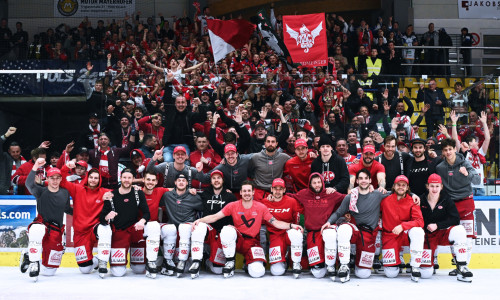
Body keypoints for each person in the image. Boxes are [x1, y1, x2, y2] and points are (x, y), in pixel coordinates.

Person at [191, 181, 302, 278]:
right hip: (237, 240)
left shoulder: (261, 207)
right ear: (240, 193)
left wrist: (291, 226)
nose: (247, 193)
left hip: (252, 242)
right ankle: (229, 262)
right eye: (244, 191)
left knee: (258, 272)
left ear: (253, 192)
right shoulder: (233, 205)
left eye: (249, 191)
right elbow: (215, 217)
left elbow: (276, 223)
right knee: (218, 266)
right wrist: (200, 220)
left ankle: (247, 264)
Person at [19, 158, 72, 281]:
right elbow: (28, 184)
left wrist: (81, 213)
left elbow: (67, 209)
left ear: (61, 179)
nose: (54, 180)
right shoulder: (40, 191)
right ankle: (33, 262)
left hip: (55, 230)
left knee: (49, 272)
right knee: (37, 229)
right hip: (41, 225)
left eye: (57, 178)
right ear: (47, 179)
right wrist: (35, 166)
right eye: (52, 178)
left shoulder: (65, 193)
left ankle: (28, 255)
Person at [58, 161, 113, 276]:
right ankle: (97, 260)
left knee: (105, 228)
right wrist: (66, 167)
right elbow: (62, 182)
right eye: (91, 177)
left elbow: (123, 192)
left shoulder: (105, 192)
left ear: (99, 180)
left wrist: (134, 187)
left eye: (96, 178)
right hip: (80, 234)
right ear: (87, 178)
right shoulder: (77, 189)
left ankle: (103, 261)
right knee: (85, 269)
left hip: (94, 229)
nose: (93, 180)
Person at [435, 138, 480, 275]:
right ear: (442, 152)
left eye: (450, 149)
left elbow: (478, 180)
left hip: (466, 203)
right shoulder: (440, 168)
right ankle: (458, 266)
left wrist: (468, 174)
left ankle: (464, 266)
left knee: (467, 237)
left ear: (455, 149)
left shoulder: (465, 163)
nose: (448, 152)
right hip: (451, 205)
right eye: (445, 150)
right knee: (454, 236)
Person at [288, 173, 345, 280]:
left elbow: (348, 198)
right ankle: (319, 264)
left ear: (323, 183)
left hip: (326, 231)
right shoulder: (304, 194)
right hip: (312, 234)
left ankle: (332, 265)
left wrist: (368, 189)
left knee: (331, 235)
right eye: (314, 183)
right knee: (318, 273)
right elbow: (290, 196)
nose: (317, 185)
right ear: (310, 184)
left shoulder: (330, 193)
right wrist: (272, 195)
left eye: (319, 182)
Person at [419, 174, 473, 282]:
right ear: (427, 186)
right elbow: (416, 218)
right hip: (428, 237)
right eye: (432, 186)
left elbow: (455, 219)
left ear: (441, 187)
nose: (434, 189)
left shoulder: (446, 199)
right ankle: (428, 262)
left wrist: (438, 225)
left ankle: (461, 265)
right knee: (425, 274)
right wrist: (426, 226)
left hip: (442, 233)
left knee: (460, 230)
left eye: (437, 186)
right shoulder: (421, 200)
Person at [99, 169, 152, 277]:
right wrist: (106, 217)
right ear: (121, 178)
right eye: (124, 177)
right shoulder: (111, 195)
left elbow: (147, 213)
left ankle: (147, 261)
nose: (127, 180)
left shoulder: (138, 193)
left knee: (139, 269)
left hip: (134, 231)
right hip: (119, 233)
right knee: (118, 273)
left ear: (133, 179)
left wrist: (142, 221)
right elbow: (101, 218)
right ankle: (100, 258)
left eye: (129, 178)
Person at [189, 170, 236, 278]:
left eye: (218, 178)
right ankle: (196, 261)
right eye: (214, 178)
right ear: (210, 181)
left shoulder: (230, 197)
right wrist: (191, 190)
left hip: (222, 234)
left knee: (217, 270)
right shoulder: (205, 193)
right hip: (209, 230)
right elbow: (193, 192)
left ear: (223, 180)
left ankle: (209, 261)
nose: (216, 180)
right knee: (199, 225)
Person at [380, 175, 424, 282]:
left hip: (405, 235)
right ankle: (397, 259)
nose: (401, 187)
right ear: (394, 186)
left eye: (403, 185)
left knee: (418, 231)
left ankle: (415, 266)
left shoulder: (412, 201)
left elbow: (420, 221)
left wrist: (403, 226)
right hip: (390, 236)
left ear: (407, 188)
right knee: (391, 274)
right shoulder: (384, 200)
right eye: (398, 185)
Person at [159, 173, 203, 277]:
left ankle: (194, 261)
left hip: (188, 230)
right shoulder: (167, 195)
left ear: (187, 183)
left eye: (184, 180)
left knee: (186, 228)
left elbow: (205, 208)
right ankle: (167, 261)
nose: (181, 182)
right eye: (179, 180)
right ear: (175, 182)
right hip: (173, 230)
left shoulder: (194, 196)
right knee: (168, 229)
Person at [261, 178, 304, 278]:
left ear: (284, 190)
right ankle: (285, 259)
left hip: (289, 233)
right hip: (275, 236)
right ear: (271, 189)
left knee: (296, 233)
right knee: (276, 271)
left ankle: (296, 263)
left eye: (280, 189)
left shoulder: (292, 202)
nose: (277, 191)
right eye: (275, 188)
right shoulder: (265, 202)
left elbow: (298, 217)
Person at [452, 110, 490, 196]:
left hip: (480, 187)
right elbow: (455, 139)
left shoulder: (480, 152)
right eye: (475, 141)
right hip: (468, 187)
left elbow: (487, 138)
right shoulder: (464, 153)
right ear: (470, 143)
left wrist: (484, 123)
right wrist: (454, 123)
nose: (477, 143)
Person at [249, 134, 291, 199]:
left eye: (273, 142)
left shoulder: (284, 157)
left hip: (276, 192)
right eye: (268, 141)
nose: (270, 144)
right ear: (265, 143)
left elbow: (296, 161)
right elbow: (249, 170)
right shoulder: (255, 157)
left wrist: (309, 155)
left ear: (276, 143)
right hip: (259, 191)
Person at [0, 127, 25, 195]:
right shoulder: (3, 158)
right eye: (13, 152)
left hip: (22, 192)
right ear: (9, 151)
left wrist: (39, 148)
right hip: (5, 192)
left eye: (17, 151)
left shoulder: (24, 161)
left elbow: (33, 160)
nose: (15, 154)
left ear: (20, 151)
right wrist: (6, 134)